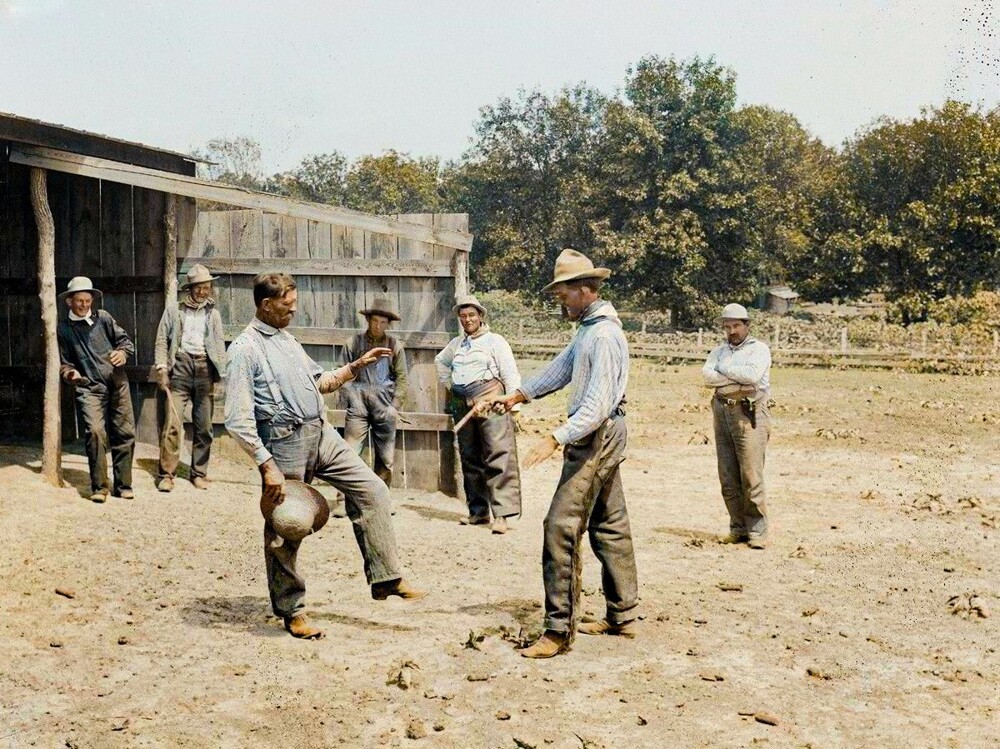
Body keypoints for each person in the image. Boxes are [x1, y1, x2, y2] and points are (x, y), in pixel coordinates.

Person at [225, 272, 425, 639]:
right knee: (287, 529)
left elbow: (320, 382)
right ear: (266, 305)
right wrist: (266, 464)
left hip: (323, 434)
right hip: (283, 443)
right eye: (287, 307)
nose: (293, 312)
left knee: (373, 490)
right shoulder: (244, 350)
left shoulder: (287, 339)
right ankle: (292, 610)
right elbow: (237, 420)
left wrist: (355, 367)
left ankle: (385, 578)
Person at [493, 249, 639, 658]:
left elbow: (596, 406)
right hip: (599, 432)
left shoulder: (605, 336)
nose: (560, 303)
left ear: (584, 290)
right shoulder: (588, 330)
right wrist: (520, 394)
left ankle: (557, 631)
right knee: (610, 523)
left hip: (597, 435)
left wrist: (555, 438)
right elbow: (562, 368)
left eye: (563, 296)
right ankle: (622, 615)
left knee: (560, 526)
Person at [435, 294, 522, 534]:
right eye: (463, 316)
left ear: (480, 316)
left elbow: (510, 374)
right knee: (470, 457)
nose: (467, 320)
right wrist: (451, 385)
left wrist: (513, 406)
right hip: (463, 404)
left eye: (471, 315)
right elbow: (440, 362)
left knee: (497, 455)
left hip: (491, 402)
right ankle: (478, 512)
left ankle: (502, 515)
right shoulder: (456, 344)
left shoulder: (495, 342)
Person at [57, 276, 136, 503]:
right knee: (94, 432)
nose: (84, 305)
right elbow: (64, 363)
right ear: (69, 302)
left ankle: (123, 485)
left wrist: (121, 354)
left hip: (117, 383)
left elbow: (126, 343)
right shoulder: (64, 329)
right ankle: (100, 487)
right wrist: (70, 374)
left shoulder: (104, 319)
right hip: (90, 388)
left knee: (124, 433)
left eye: (87, 301)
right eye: (79, 301)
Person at [702, 303, 772, 549]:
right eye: (727, 326)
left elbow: (752, 376)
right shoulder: (719, 350)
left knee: (751, 473)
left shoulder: (759, 350)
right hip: (722, 411)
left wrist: (724, 371)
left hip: (749, 412)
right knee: (728, 474)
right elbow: (706, 376)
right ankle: (738, 528)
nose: (732, 331)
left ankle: (757, 531)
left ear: (747, 325)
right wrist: (733, 374)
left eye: (736, 326)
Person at [153, 264, 227, 492]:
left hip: (205, 370)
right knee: (172, 424)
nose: (204, 292)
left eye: (207, 287)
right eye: (199, 288)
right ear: (190, 289)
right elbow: (161, 340)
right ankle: (166, 474)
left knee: (204, 426)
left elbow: (220, 345)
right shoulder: (174, 311)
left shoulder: (213, 315)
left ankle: (199, 473)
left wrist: (220, 377)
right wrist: (162, 368)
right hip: (181, 368)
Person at [342, 298, 408, 486]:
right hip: (358, 407)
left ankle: (382, 501)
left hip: (384, 406)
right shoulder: (353, 343)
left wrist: (394, 406)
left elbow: (402, 379)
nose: (378, 326)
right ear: (368, 320)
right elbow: (342, 374)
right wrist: (352, 399)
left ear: (388, 324)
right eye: (375, 321)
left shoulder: (394, 346)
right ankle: (346, 502)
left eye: (383, 322)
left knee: (386, 460)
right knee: (350, 455)